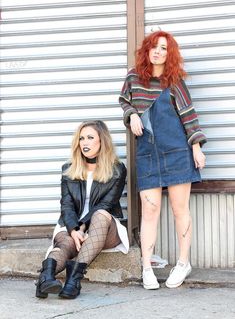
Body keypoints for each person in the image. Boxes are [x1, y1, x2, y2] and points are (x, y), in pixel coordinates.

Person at [119, 30, 206, 290]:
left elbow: (189, 115)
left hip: (178, 151)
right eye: (154, 46)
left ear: (170, 54)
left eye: (164, 48)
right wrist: (132, 114)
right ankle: (146, 266)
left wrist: (197, 147)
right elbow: (124, 102)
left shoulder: (174, 80)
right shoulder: (134, 77)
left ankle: (183, 262)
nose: (158, 51)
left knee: (180, 209)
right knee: (151, 210)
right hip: (148, 152)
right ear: (147, 49)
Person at [35, 120, 128, 299]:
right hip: (72, 224)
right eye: (82, 138)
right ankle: (45, 279)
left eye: (90, 137)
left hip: (103, 227)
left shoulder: (117, 169)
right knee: (66, 243)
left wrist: (82, 227)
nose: (85, 142)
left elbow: (106, 205)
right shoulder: (69, 169)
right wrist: (73, 228)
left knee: (101, 215)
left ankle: (73, 280)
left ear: (102, 141)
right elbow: (67, 205)